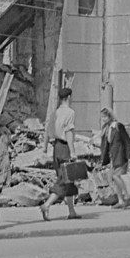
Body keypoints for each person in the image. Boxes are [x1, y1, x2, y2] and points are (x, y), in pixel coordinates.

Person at [40, 86, 81, 221]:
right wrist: (73, 151)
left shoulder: (55, 113)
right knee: (64, 180)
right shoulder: (70, 113)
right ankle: (47, 204)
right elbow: (69, 133)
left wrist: (44, 149)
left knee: (67, 180)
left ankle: (71, 211)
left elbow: (47, 131)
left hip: (55, 148)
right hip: (64, 148)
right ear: (69, 97)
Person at [99, 106, 130, 207]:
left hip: (121, 156)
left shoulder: (118, 126)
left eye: (105, 117)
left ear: (110, 116)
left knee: (115, 176)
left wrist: (129, 157)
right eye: (102, 117)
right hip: (113, 157)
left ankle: (127, 195)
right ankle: (121, 200)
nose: (103, 119)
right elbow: (105, 145)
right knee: (113, 178)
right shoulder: (106, 129)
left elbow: (126, 141)